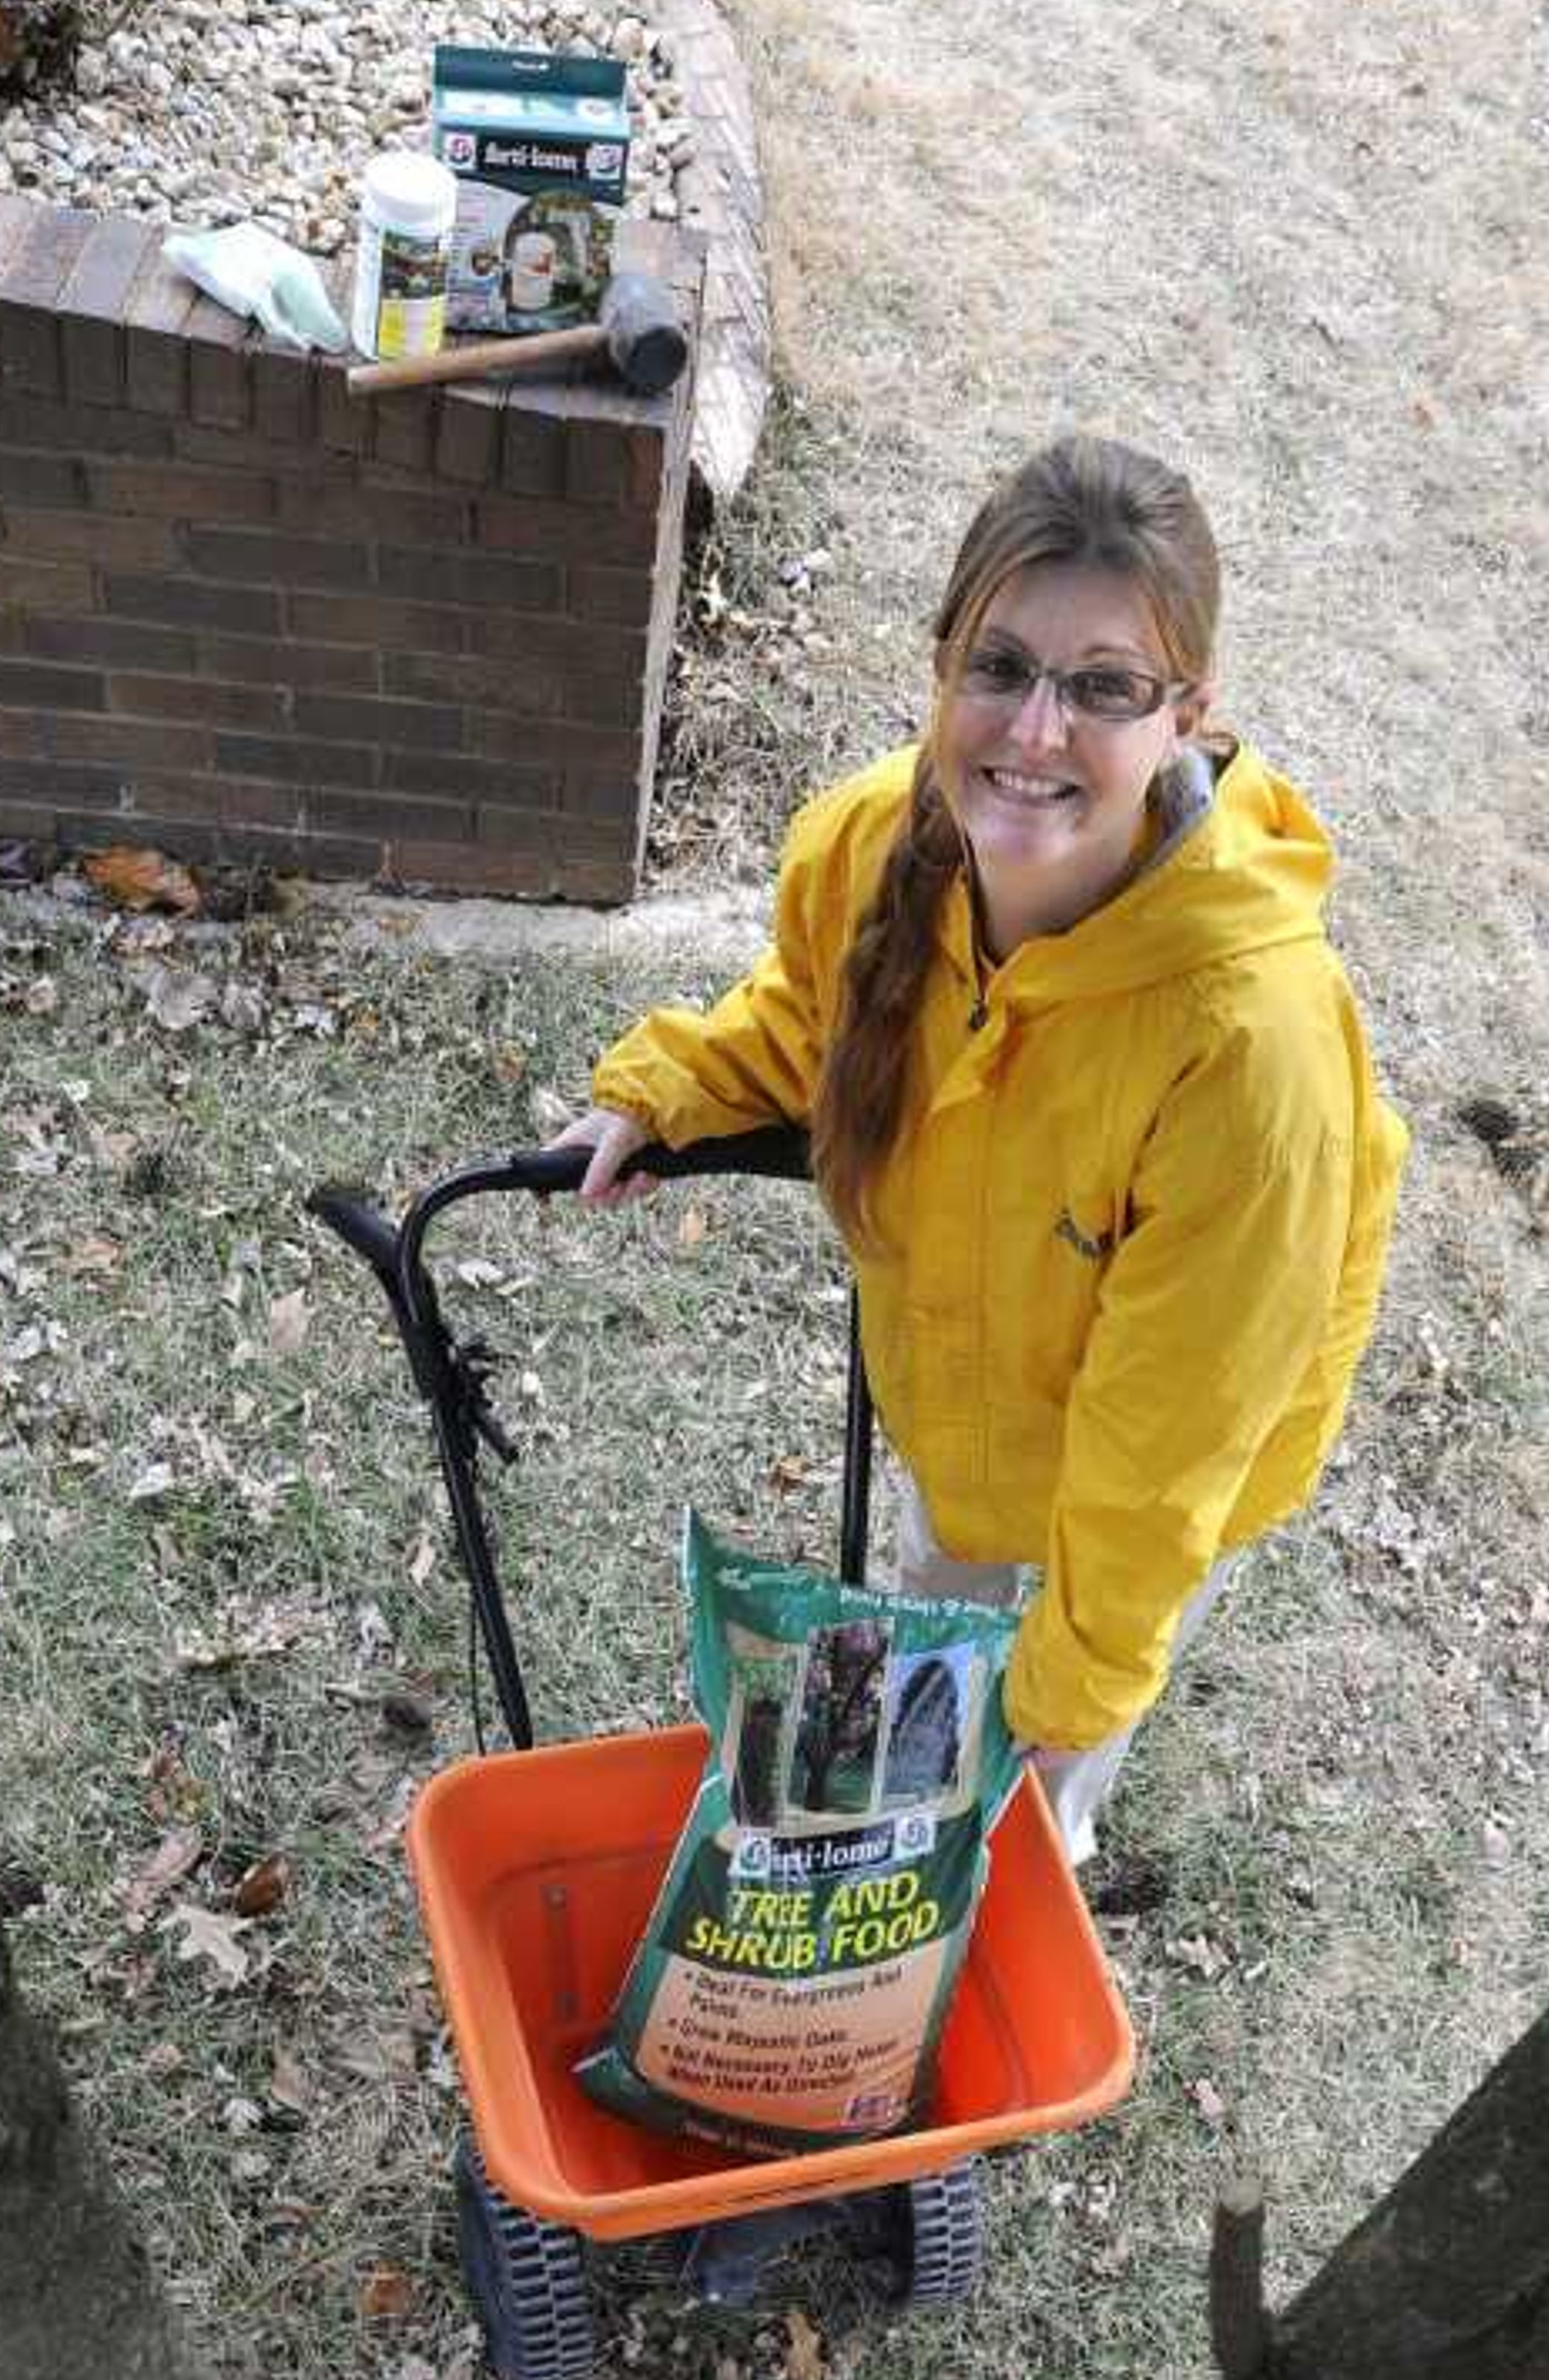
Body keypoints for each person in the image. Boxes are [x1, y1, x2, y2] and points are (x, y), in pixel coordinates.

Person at [560, 431, 1409, 1860]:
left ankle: (1031, 1870)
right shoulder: (870, 844)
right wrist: (670, 1088)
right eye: (1001, 667)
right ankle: (891, 1848)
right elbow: (812, 1017)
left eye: (1104, 688)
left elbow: (1163, 1462)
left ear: (1190, 715)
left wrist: (1061, 1704)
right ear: (944, 662)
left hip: (1145, 1460)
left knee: (1022, 1793)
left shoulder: (1247, 1049)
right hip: (969, 1398)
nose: (1032, 732)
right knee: (928, 1640)